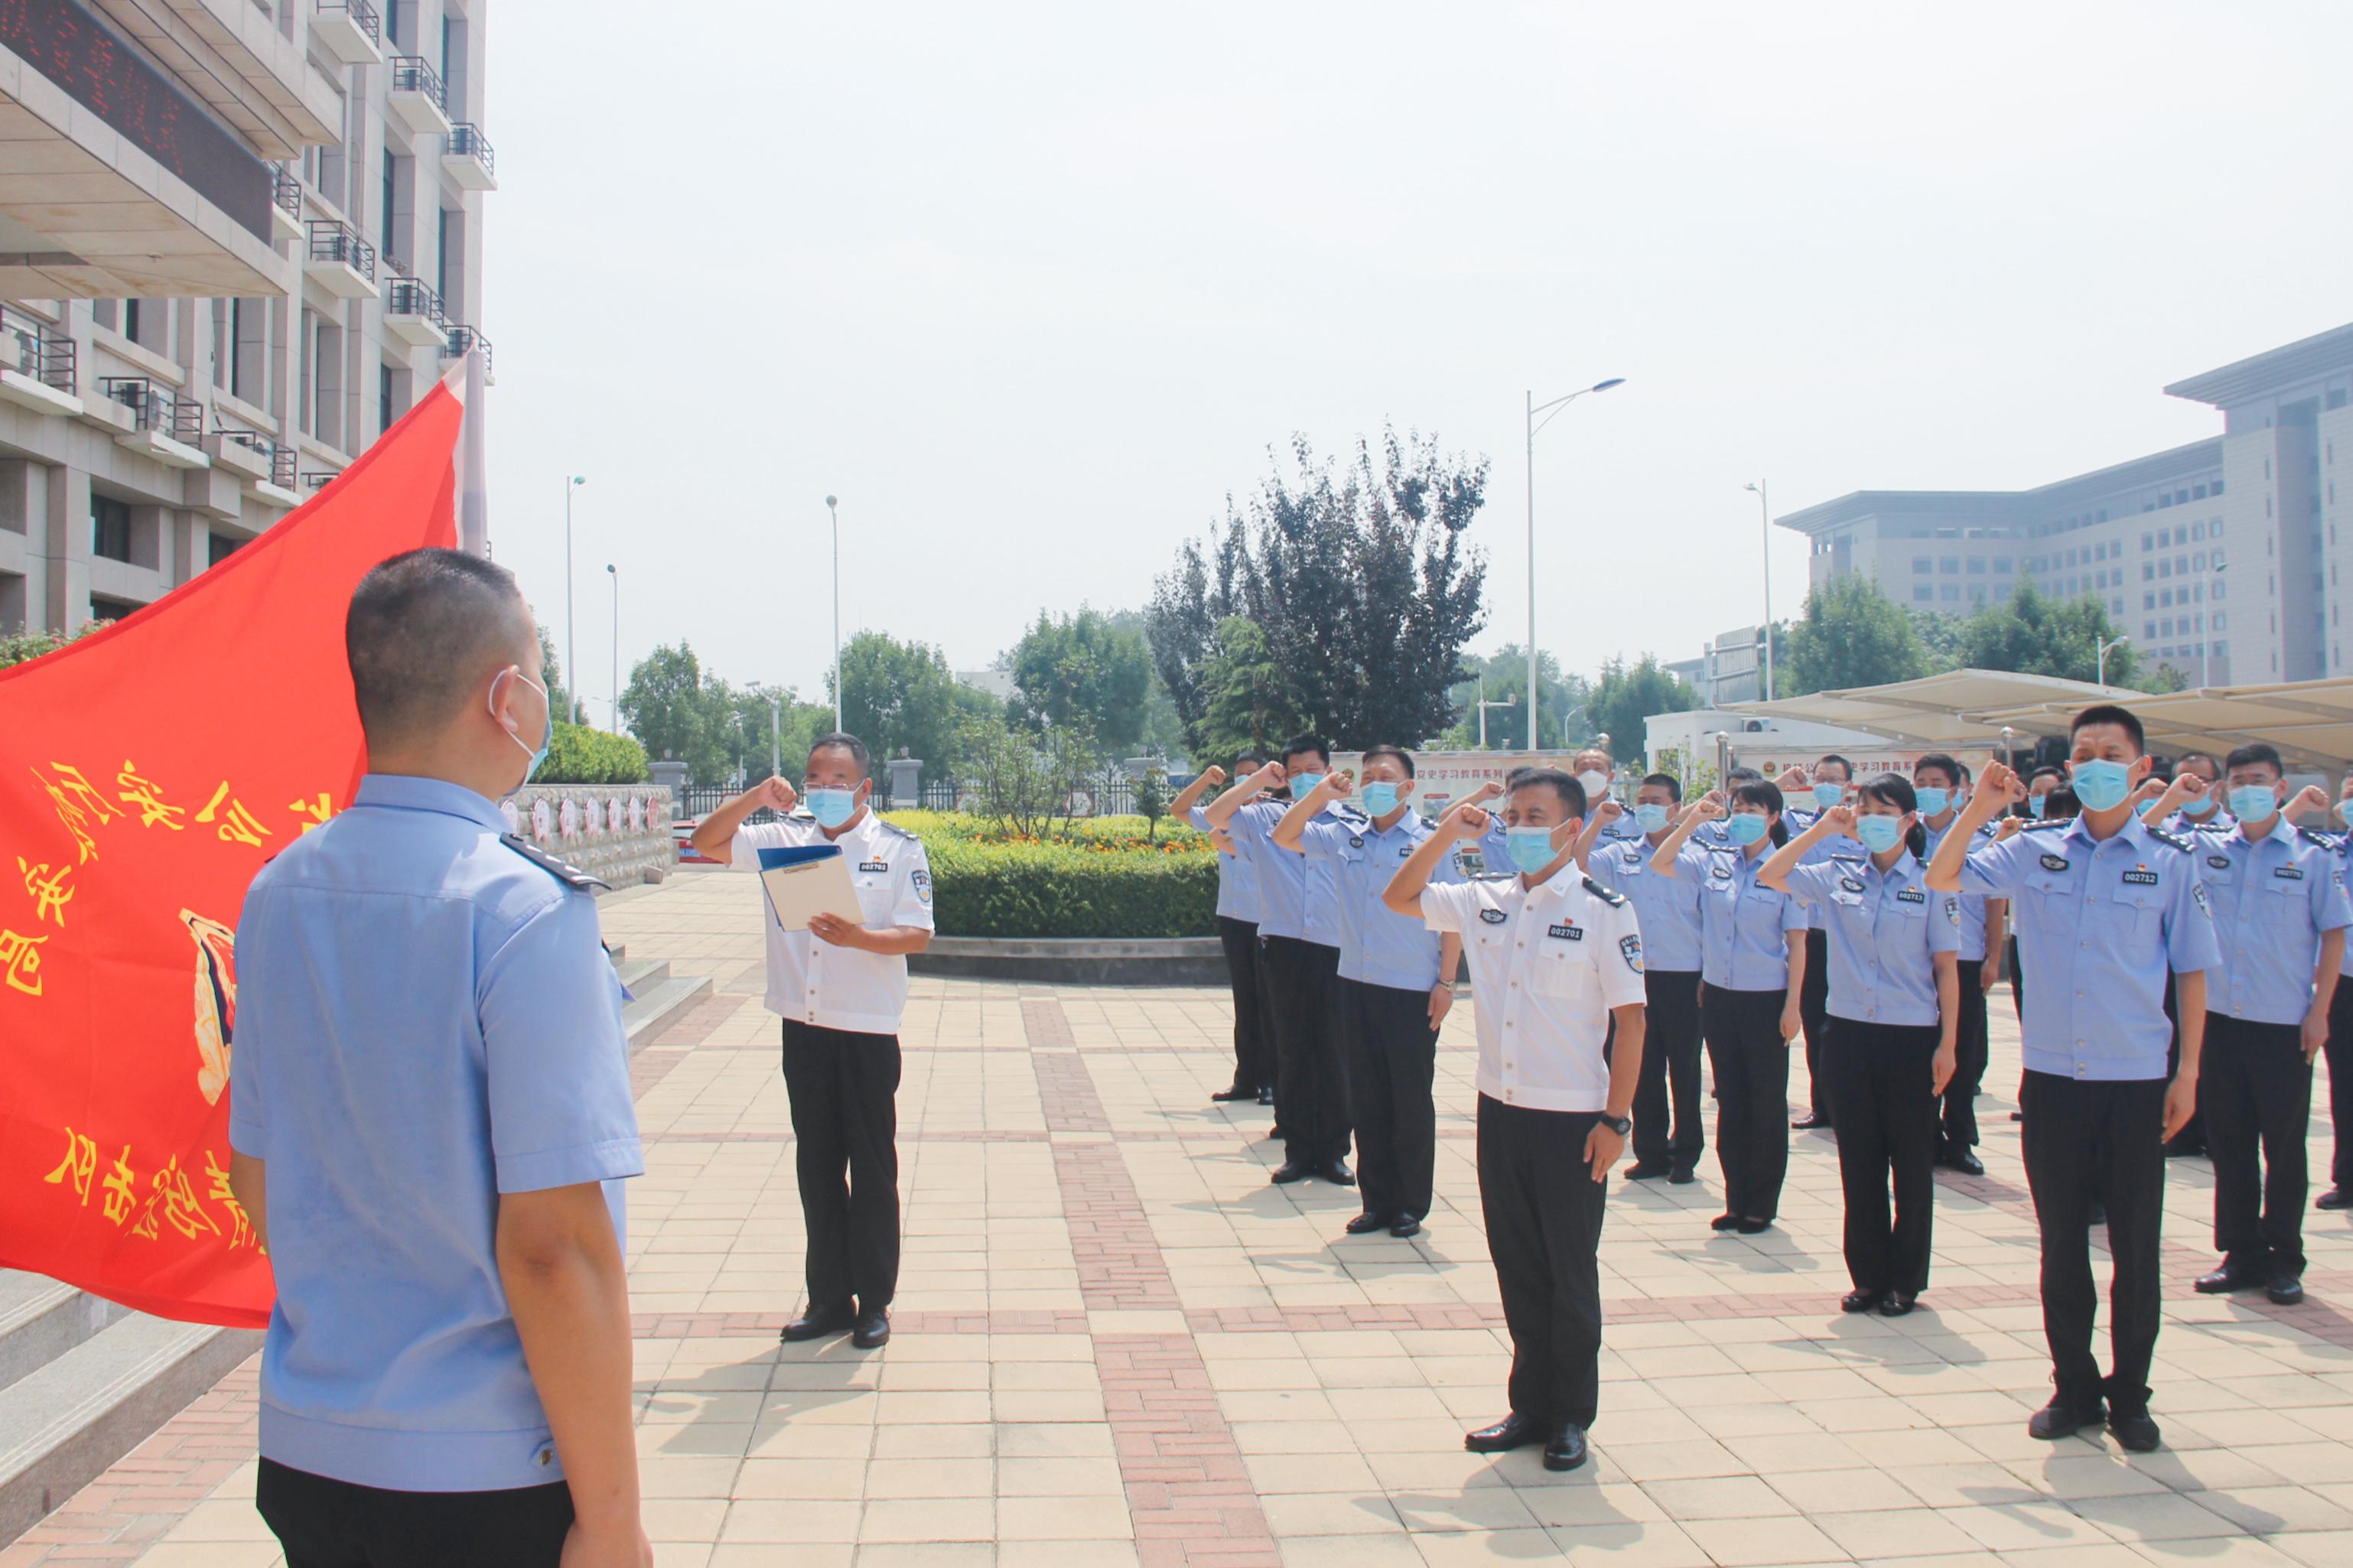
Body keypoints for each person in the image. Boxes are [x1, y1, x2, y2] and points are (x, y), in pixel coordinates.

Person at [229, 548, 649, 1568]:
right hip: (483, 1472)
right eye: (537, 676)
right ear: (508, 699)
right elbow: (554, 1245)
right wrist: (611, 1520)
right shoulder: (523, 911)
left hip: (313, 1448)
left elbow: (255, 1176)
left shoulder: (277, 890)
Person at [1927, 705, 2218, 1454]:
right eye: (2083, 754)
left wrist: (2188, 1071)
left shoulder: (2170, 860)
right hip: (2054, 1080)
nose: (2095, 766)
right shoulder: (2035, 849)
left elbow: (2192, 970)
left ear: (2140, 768)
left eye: (2110, 754)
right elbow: (1943, 875)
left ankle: (2132, 1395)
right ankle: (2074, 1387)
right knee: (2061, 1244)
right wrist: (1980, 808)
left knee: (2136, 1248)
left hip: (2135, 1081)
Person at [1383, 769, 1645, 1474]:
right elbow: (1398, 896)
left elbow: (1631, 1023)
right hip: (1501, 1111)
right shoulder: (1486, 899)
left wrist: (1616, 1122)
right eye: (1514, 814)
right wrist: (1446, 831)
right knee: (1518, 1265)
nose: (1521, 826)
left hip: (1574, 1120)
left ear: (1571, 828)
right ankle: (1530, 1405)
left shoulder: (1604, 910)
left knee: (1569, 1271)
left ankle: (1571, 1415)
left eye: (1536, 816)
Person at [690, 734, 935, 1351]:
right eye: (815, 780)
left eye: (838, 781)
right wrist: (755, 796)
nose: (825, 791)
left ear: (864, 788)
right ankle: (828, 1298)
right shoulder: (785, 838)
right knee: (817, 1166)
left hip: (866, 1029)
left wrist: (859, 938)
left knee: (872, 1168)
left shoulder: (896, 848)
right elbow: (705, 842)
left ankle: (873, 1302)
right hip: (804, 1026)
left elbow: (917, 934)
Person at [1762, 779, 1960, 1316]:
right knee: (1860, 1161)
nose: (1871, 819)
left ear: (1909, 820)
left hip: (1911, 1037)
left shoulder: (1933, 881)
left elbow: (1946, 969)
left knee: (1911, 1164)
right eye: (1865, 810)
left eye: (1884, 811)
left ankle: (1905, 1281)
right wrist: (1824, 830)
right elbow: (1771, 873)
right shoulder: (1838, 873)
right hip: (1848, 1035)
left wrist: (1948, 1044)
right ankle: (1868, 1277)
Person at [1277, 748, 1468, 1238]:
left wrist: (1447, 983)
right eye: (1368, 777)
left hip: (1411, 987)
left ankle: (1410, 1204)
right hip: (1356, 984)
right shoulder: (1346, 834)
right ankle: (1376, 1201)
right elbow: (1285, 835)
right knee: (1366, 1097)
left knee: (1409, 1098)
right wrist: (1320, 794)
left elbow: (1453, 919)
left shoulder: (1431, 841)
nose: (1374, 784)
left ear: (1409, 787)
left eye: (1386, 776)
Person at [2182, 746, 2346, 1306]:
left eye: (2259, 779)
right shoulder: (2206, 849)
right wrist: (2174, 796)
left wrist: (2320, 1011)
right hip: (2219, 1020)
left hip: (2282, 1023)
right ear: (2224, 790)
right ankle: (2240, 1252)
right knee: (2229, 1144)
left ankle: (2284, 1257)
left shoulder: (2313, 855)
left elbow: (2333, 934)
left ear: (2280, 789)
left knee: (2284, 1146)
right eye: (2238, 780)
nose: (2247, 788)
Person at [1650, 780, 1808, 1234]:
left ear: (1773, 818)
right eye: (1737, 809)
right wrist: (1692, 821)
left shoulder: (1786, 870)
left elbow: (1798, 944)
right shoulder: (1716, 862)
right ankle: (1736, 1200)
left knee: (1766, 1103)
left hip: (1767, 998)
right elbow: (1661, 861)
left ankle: (1761, 1203)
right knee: (1731, 1101)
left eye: (1753, 810)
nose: (1742, 817)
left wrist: (1793, 1006)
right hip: (1719, 995)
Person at [1206, 737, 1357, 1186]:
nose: (1306, 777)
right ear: (1285, 778)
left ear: (1329, 770)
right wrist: (1257, 779)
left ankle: (1334, 1150)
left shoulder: (1352, 824)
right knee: (1291, 1050)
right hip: (1284, 947)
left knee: (1335, 1053)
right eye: (1295, 772)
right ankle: (1297, 1148)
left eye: (1314, 769)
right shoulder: (1266, 817)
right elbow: (1215, 817)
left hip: (1336, 948)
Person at [1585, 774, 1707, 1183]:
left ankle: (1685, 1152)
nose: (1647, 808)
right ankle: (1651, 1152)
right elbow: (1578, 863)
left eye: (1656, 800)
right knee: (1643, 1066)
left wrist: (1708, 974)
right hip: (1634, 975)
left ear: (1676, 808)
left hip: (1684, 974)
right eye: (1642, 800)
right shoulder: (1621, 853)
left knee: (1685, 1069)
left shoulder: (1698, 857)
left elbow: (1711, 920)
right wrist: (1597, 823)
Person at [1914, 754, 2005, 1175]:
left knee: (1963, 1051)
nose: (1928, 789)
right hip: (1917, 958)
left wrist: (1993, 957)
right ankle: (1925, 1135)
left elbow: (1994, 901)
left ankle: (1961, 1137)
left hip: (1965, 956)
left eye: (1937, 783)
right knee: (1921, 1050)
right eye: (1921, 781)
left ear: (1955, 790)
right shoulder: (1907, 833)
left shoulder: (1978, 835)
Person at [1175, 759, 1273, 1107]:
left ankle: (1271, 1080)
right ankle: (1246, 1078)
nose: (1246, 777)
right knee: (1245, 1001)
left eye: (1253, 773)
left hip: (1266, 921)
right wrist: (1205, 779)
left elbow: (1220, 837)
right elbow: (1179, 810)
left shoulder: (1272, 815)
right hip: (1233, 917)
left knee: (1268, 1001)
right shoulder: (1223, 812)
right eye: (1240, 774)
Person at [1780, 756, 1853, 1130]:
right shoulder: (1798, 824)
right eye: (1820, 778)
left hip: (1847, 941)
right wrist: (1780, 784)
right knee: (1813, 1025)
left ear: (1848, 786)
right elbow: (1747, 808)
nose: (1826, 785)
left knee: (1844, 1028)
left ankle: (1847, 1107)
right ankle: (1820, 1105)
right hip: (1809, 940)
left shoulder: (1860, 829)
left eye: (1834, 779)